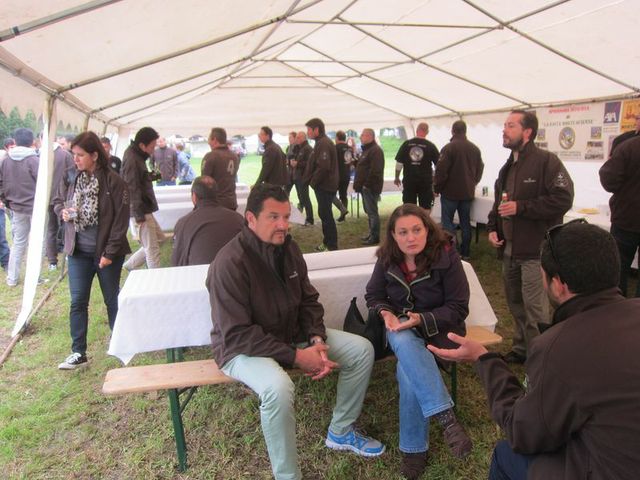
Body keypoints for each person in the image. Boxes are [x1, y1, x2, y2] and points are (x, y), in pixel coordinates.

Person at [429, 220, 640, 480]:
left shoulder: (558, 347)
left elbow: (523, 432)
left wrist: (484, 359)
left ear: (559, 284)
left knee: (507, 455)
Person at [207, 183, 385, 480]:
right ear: (250, 218)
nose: (283, 225)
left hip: (290, 334)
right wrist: (297, 356)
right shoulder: (229, 263)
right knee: (278, 388)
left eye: (286, 216)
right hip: (239, 349)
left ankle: (341, 431)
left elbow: (308, 300)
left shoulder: (288, 248)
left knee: (362, 350)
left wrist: (316, 339)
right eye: (273, 217)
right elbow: (236, 333)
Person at [365, 203, 472, 479]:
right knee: (401, 337)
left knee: (407, 370)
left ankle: (414, 450)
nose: (410, 238)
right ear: (393, 235)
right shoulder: (387, 258)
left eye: (416, 230)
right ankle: (447, 420)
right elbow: (374, 295)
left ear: (427, 230)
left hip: (439, 331)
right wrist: (386, 313)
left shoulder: (446, 256)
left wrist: (421, 320)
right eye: (403, 232)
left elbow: (458, 307)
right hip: (400, 328)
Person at [487, 110, 574, 364]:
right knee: (515, 303)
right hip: (510, 250)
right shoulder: (507, 167)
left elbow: (563, 199)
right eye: (504, 125)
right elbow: (498, 203)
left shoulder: (547, 162)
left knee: (535, 308)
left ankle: (542, 357)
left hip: (535, 250)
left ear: (527, 132)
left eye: (511, 125)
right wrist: (492, 228)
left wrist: (522, 207)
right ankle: (522, 348)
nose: (504, 130)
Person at [54, 131, 131, 369]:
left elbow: (120, 221)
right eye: (73, 154)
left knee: (112, 299)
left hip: (106, 253)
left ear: (95, 155)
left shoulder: (113, 181)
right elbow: (57, 201)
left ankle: (121, 343)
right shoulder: (71, 177)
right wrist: (62, 211)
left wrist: (109, 253)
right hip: (78, 251)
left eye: (80, 155)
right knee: (78, 301)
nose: (75, 159)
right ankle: (78, 352)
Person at [434, 120, 484, 259]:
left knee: (447, 223)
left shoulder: (448, 148)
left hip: (450, 192)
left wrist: (437, 187)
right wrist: (473, 182)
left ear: (452, 131)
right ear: (465, 131)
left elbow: (441, 171)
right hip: (467, 192)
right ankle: (465, 252)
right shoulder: (475, 148)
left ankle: (452, 251)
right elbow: (480, 168)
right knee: (465, 223)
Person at [599, 135, 640, 297]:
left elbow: (609, 179)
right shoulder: (628, 146)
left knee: (618, 266)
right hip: (626, 217)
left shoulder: (628, 147)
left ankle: (619, 305)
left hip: (626, 217)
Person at [171, 176, 243, 266]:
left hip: (199, 273)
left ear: (194, 196)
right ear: (216, 195)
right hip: (234, 272)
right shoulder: (238, 219)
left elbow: (177, 262)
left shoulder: (183, 223)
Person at [121, 126, 164, 270]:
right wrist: (138, 215)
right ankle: (154, 279)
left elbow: (139, 179)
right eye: (152, 146)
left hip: (143, 207)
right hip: (141, 209)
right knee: (152, 249)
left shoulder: (136, 156)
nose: (153, 150)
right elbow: (131, 187)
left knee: (159, 239)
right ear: (142, 145)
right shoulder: (132, 159)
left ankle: (129, 266)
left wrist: (152, 176)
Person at [0, 128, 39, 287]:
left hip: (16, 207)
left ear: (15, 141)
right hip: (34, 207)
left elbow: (1, 184)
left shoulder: (6, 160)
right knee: (36, 243)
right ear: (32, 142)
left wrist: (7, 201)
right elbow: (42, 184)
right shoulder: (34, 160)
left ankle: (12, 278)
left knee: (18, 243)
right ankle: (34, 277)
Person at [305, 117, 339, 251]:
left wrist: (313, 182)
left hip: (325, 185)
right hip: (323, 185)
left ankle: (332, 245)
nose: (307, 132)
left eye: (309, 129)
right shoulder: (320, 142)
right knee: (324, 214)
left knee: (326, 215)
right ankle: (327, 241)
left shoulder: (323, 143)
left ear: (316, 130)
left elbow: (324, 167)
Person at [394, 122, 439, 212]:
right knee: (425, 205)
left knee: (409, 206)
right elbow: (438, 165)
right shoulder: (430, 146)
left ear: (417, 130)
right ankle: (424, 220)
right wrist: (435, 179)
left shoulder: (406, 144)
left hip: (409, 180)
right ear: (427, 132)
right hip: (425, 181)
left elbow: (399, 163)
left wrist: (397, 177)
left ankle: (411, 219)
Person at [46, 140, 75, 270]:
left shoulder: (42, 155)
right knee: (68, 226)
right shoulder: (65, 155)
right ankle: (68, 253)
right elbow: (73, 177)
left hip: (49, 198)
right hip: (65, 197)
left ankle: (52, 261)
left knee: (51, 229)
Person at [354, 128, 384, 245]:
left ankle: (375, 236)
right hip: (365, 187)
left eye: (363, 135)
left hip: (370, 187)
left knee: (372, 212)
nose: (360, 137)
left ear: (370, 136)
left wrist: (367, 185)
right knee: (369, 212)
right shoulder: (367, 150)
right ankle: (371, 233)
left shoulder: (375, 150)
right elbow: (364, 166)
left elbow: (376, 170)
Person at [201, 127, 240, 210]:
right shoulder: (235, 156)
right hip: (231, 202)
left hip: (216, 204)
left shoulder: (210, 156)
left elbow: (204, 182)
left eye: (209, 139)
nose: (208, 142)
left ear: (214, 140)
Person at [291, 131, 314, 226]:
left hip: (303, 177)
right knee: (302, 198)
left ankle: (310, 219)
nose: (296, 139)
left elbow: (310, 163)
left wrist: (298, 164)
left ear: (303, 138)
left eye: (298, 137)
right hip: (298, 176)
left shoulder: (308, 148)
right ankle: (305, 218)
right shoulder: (299, 148)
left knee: (305, 198)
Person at [0, 138, 15, 271]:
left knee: (1, 235)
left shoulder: (4, 160)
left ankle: (6, 262)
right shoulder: (4, 159)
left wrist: (2, 199)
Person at [333, 130, 351, 222]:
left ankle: (342, 209)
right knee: (343, 195)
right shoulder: (349, 148)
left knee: (331, 194)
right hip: (347, 174)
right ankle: (343, 215)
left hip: (337, 175)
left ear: (337, 138)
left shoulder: (335, 148)